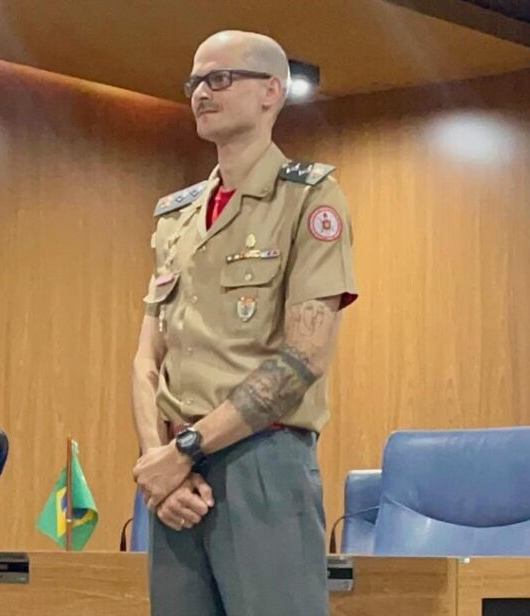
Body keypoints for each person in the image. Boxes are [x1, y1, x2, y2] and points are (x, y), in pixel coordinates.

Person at [131, 29, 358, 616]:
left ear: (271, 92)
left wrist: (186, 448)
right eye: (195, 81)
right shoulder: (176, 216)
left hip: (262, 461)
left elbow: (303, 359)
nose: (201, 92)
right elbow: (146, 359)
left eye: (221, 78)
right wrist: (160, 463)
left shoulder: (310, 199)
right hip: (175, 480)